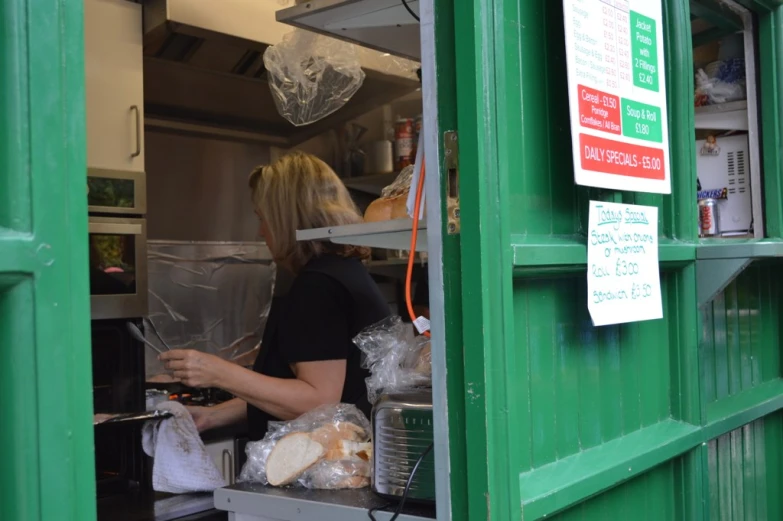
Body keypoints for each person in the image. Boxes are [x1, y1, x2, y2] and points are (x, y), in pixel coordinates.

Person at [159, 151, 391, 440]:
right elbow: (299, 391)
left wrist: (218, 373)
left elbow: (318, 403)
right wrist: (211, 416)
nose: (260, 232)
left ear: (285, 219)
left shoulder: (318, 285)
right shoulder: (343, 272)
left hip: (334, 464)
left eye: (263, 218)